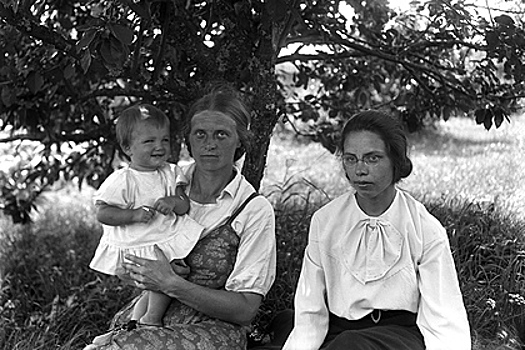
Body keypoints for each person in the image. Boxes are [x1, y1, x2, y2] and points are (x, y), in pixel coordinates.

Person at [83, 87, 276, 350]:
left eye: (222, 134)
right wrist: (135, 271)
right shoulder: (162, 182)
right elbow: (125, 238)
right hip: (149, 317)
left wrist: (171, 283)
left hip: (213, 330)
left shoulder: (252, 209)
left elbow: (245, 310)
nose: (210, 144)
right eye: (200, 134)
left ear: (240, 140)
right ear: (187, 140)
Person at [282, 110, 471, 350]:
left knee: (351, 345)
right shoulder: (325, 221)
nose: (360, 170)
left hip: (399, 337)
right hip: (339, 333)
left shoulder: (424, 227)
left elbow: (443, 313)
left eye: (373, 158)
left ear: (396, 160)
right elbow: (310, 308)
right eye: (351, 159)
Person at [89, 104, 204, 329]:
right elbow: (103, 213)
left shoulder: (171, 172)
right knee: (169, 274)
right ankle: (151, 319)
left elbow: (184, 205)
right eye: (149, 141)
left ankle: (134, 322)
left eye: (164, 140)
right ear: (127, 147)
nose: (159, 147)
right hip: (139, 243)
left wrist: (172, 202)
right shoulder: (123, 180)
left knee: (159, 282)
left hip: (164, 237)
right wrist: (131, 215)